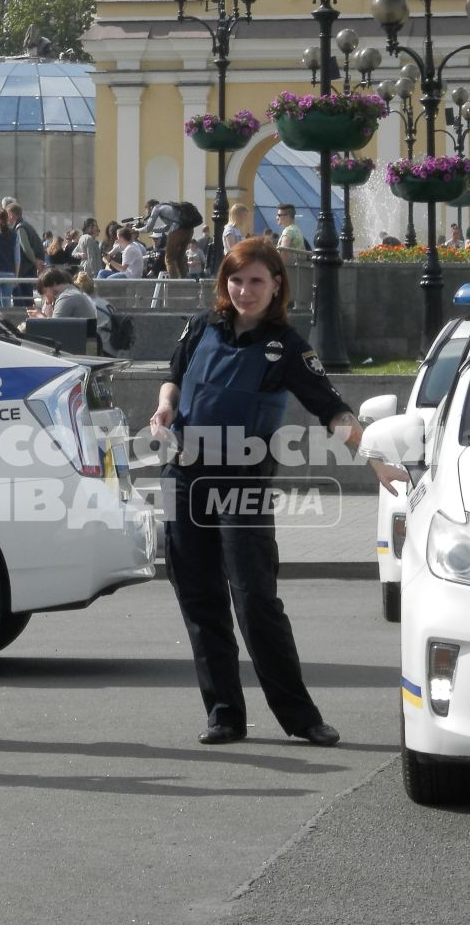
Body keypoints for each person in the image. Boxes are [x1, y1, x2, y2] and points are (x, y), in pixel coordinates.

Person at [149, 238, 361, 749]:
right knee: (200, 601)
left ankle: (300, 716)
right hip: (184, 476)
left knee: (255, 601)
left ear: (276, 286)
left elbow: (330, 406)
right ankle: (224, 714)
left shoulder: (286, 346)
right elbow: (174, 379)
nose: (244, 291)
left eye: (256, 281)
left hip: (241, 483)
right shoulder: (202, 327)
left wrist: (364, 444)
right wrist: (163, 409)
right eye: (236, 280)